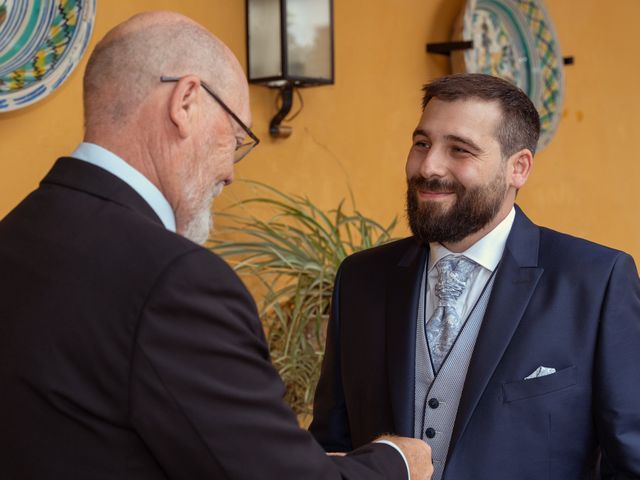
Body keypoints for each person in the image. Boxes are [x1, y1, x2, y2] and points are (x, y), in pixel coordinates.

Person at [0, 11, 434, 480]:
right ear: (186, 101)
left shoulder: (18, 232)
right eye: (236, 136)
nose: (230, 171)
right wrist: (395, 462)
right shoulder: (175, 281)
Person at [310, 73, 640, 480]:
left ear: (518, 168)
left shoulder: (596, 281)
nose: (428, 166)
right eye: (422, 144)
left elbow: (632, 459)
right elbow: (332, 446)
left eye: (459, 150)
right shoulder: (360, 279)